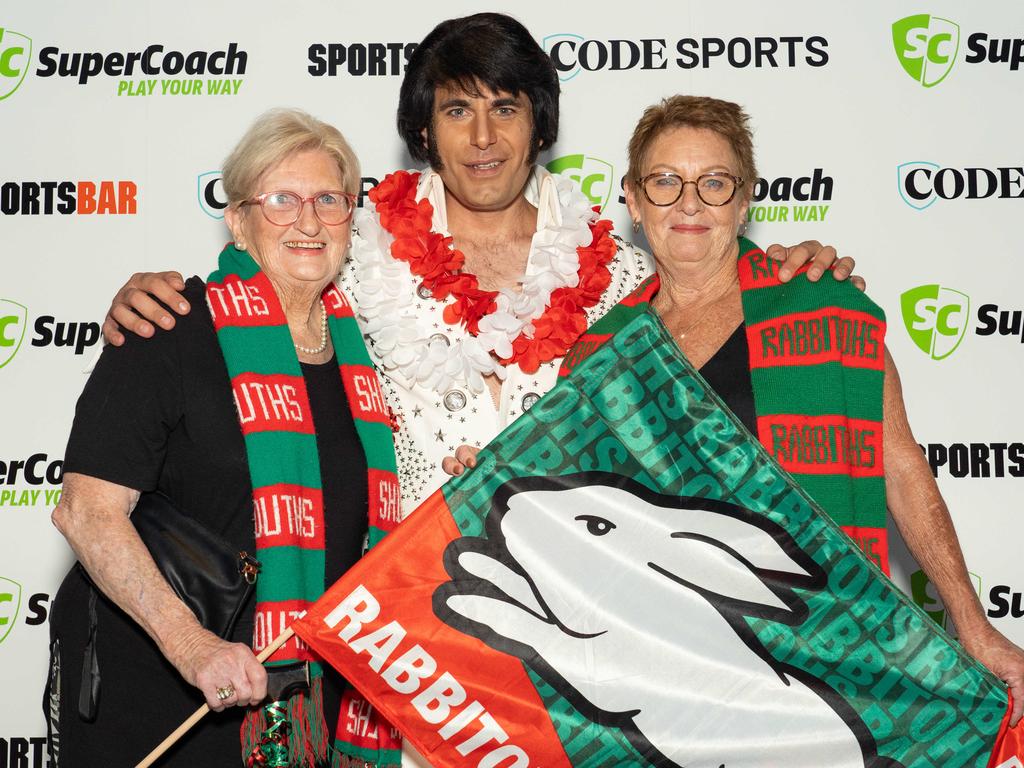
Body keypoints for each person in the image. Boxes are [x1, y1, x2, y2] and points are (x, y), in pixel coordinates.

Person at [96, 14, 859, 767]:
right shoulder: (349, 254)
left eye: (506, 108)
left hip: (576, 650)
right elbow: (252, 300)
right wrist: (152, 295)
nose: (484, 138)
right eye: (457, 109)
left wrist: (789, 276)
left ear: (540, 124)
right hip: (400, 645)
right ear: (424, 132)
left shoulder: (620, 275)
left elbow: (703, 324)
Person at [557, 93, 1024, 727]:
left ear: (744, 201)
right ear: (635, 202)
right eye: (666, 182)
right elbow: (582, 516)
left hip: (817, 654)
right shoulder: (598, 352)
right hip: (661, 666)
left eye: (714, 182)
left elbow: (902, 469)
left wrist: (973, 624)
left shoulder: (823, 307)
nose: (689, 202)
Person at [48, 108, 400, 767]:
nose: (308, 220)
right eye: (281, 199)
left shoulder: (367, 354)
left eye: (330, 199)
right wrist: (194, 647)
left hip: (309, 701)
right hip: (164, 693)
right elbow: (87, 512)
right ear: (237, 218)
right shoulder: (169, 327)